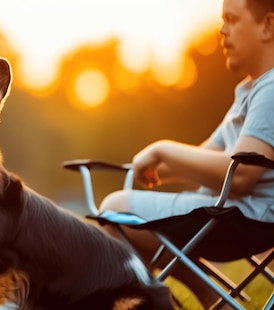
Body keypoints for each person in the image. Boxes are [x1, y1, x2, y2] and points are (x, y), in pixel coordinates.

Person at [99, 0, 274, 308]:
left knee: (116, 208)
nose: (222, 30)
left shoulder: (271, 89)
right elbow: (208, 155)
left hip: (247, 217)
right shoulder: (251, 90)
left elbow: (243, 174)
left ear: (268, 26)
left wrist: (162, 148)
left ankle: (174, 299)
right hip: (235, 214)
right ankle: (205, 297)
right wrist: (161, 171)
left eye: (232, 19)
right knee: (121, 213)